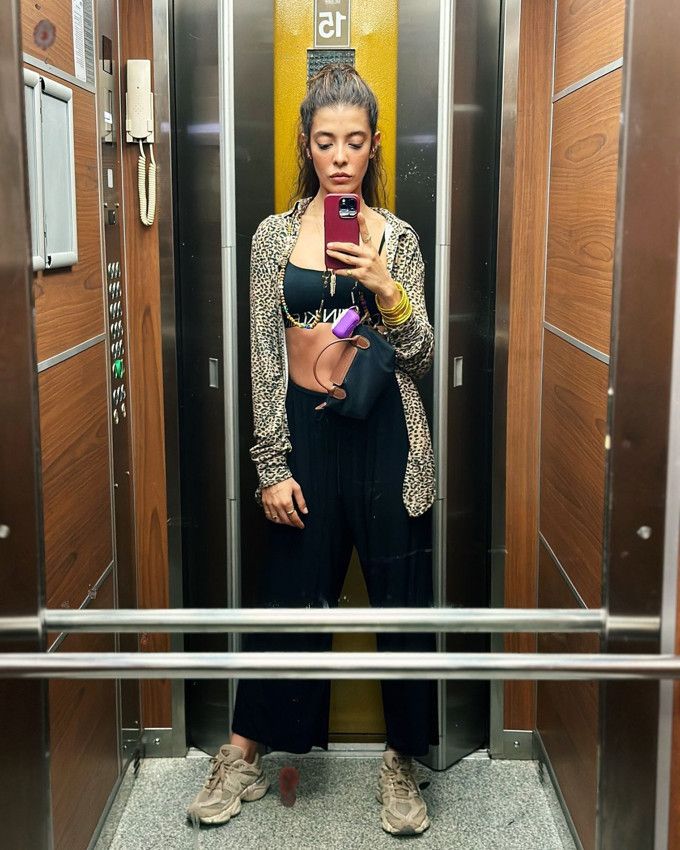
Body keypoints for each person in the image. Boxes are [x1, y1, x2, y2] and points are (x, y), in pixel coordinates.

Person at [187, 63, 438, 837]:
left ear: (373, 146)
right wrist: (271, 464)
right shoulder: (272, 237)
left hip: (387, 436)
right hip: (304, 431)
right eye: (326, 141)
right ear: (306, 143)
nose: (339, 157)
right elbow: (264, 354)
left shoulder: (397, 237)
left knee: (400, 602)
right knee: (289, 593)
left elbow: (422, 356)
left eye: (354, 142)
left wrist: (388, 292)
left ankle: (402, 760)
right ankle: (244, 754)